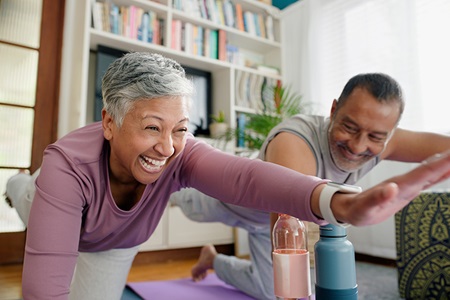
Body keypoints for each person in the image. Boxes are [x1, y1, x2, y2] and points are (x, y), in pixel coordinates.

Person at [5, 54, 450, 299]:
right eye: (151, 128)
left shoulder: (180, 153)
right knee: (34, 192)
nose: (167, 146)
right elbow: (43, 293)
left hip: (115, 242)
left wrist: (341, 202)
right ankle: (16, 184)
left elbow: (245, 176)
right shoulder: (68, 167)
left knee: (178, 174)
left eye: (179, 129)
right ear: (108, 122)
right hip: (54, 194)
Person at [169, 72, 450, 300]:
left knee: (269, 291)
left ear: (390, 133)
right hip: (227, 202)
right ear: (334, 109)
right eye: (349, 128)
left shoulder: (387, 139)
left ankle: (213, 260)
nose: (358, 145)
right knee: (177, 192)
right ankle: (169, 183)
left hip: (267, 224)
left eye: (376, 137)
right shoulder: (294, 141)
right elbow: (289, 231)